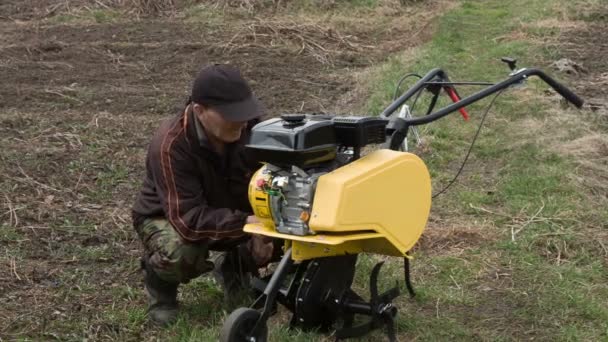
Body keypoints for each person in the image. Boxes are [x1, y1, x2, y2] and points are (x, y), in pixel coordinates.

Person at [132, 64, 274, 326]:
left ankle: (236, 269)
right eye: (232, 115)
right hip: (169, 217)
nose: (242, 122)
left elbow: (270, 181)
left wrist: (266, 227)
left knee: (295, 227)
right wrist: (249, 225)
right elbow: (188, 220)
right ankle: (160, 287)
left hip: (230, 210)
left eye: (245, 112)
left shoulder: (252, 128)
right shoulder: (170, 145)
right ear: (200, 111)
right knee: (182, 253)